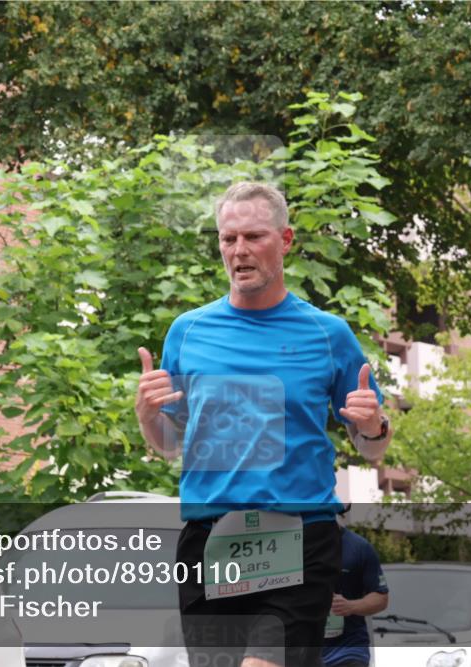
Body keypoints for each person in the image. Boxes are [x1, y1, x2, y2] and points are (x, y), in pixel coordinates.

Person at [135, 181, 392, 667]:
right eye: (228, 239)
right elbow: (169, 446)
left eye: (254, 236)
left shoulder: (327, 334)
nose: (239, 251)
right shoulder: (187, 332)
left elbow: (371, 450)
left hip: (298, 535)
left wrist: (373, 424)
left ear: (286, 239)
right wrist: (148, 417)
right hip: (209, 539)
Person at [322, 516, 390, 667]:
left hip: (349, 650)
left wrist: (351, 606)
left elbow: (381, 597)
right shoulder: (296, 544)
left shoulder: (359, 547)